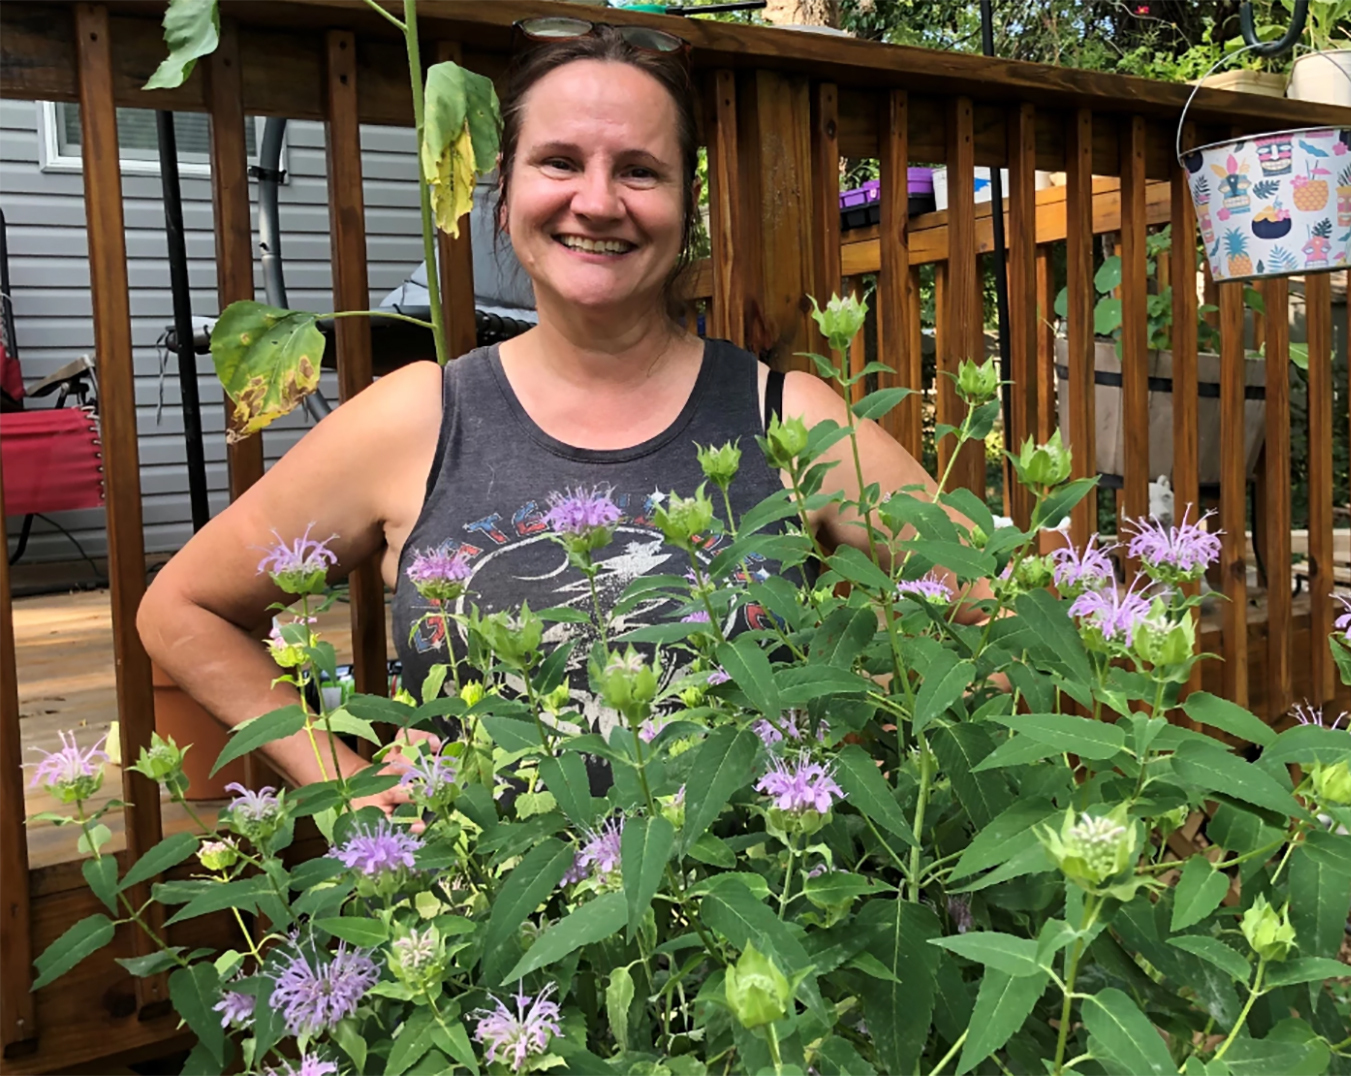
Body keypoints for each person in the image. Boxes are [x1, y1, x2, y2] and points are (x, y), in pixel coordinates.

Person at [136, 21, 946, 811]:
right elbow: (181, 612)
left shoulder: (784, 416)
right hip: (485, 930)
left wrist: (868, 719)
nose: (596, 202)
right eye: (559, 161)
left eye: (639, 171)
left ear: (686, 202)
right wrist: (353, 789)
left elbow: (1005, 606)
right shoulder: (417, 418)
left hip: (749, 924)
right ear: (506, 188)